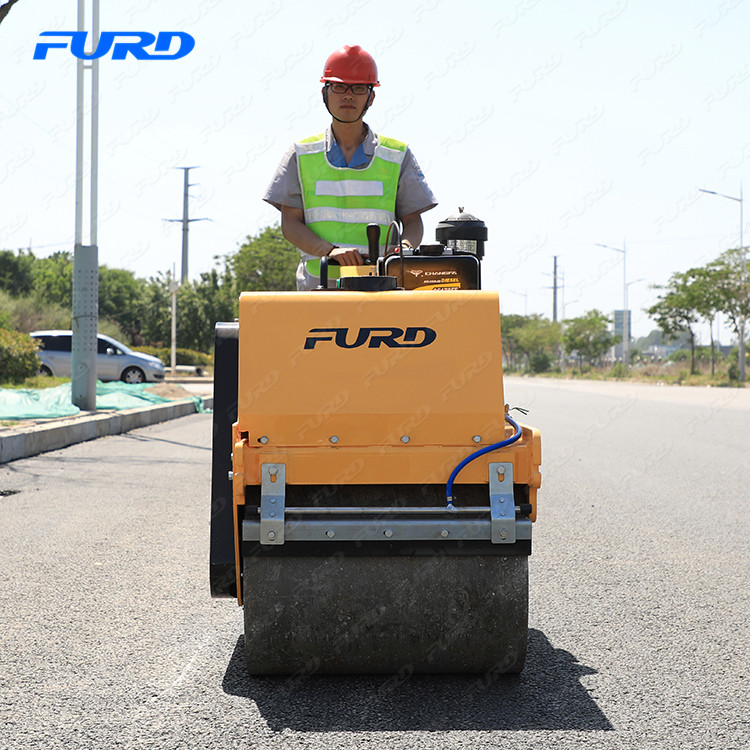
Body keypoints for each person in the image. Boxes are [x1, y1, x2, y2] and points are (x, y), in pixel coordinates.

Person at [264, 44, 437, 289]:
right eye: (339, 86)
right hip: (318, 286)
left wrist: (403, 251)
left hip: (384, 286)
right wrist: (331, 251)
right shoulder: (300, 153)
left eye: (358, 88)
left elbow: (413, 222)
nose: (348, 95)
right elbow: (290, 224)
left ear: (371, 96)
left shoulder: (397, 155)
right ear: (325, 92)